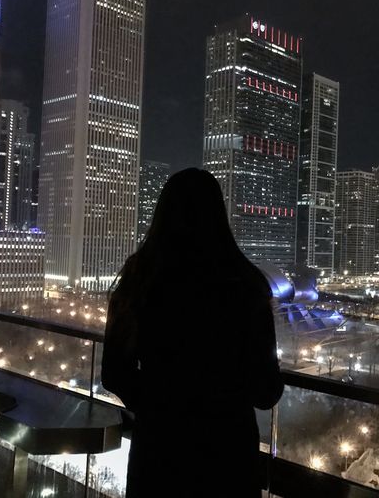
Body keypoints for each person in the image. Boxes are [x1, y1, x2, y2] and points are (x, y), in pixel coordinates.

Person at [102, 168, 284, 497]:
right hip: (229, 460)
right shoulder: (246, 286)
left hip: (159, 457)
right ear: (220, 217)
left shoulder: (141, 278)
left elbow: (115, 373)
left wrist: (162, 404)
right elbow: (266, 391)